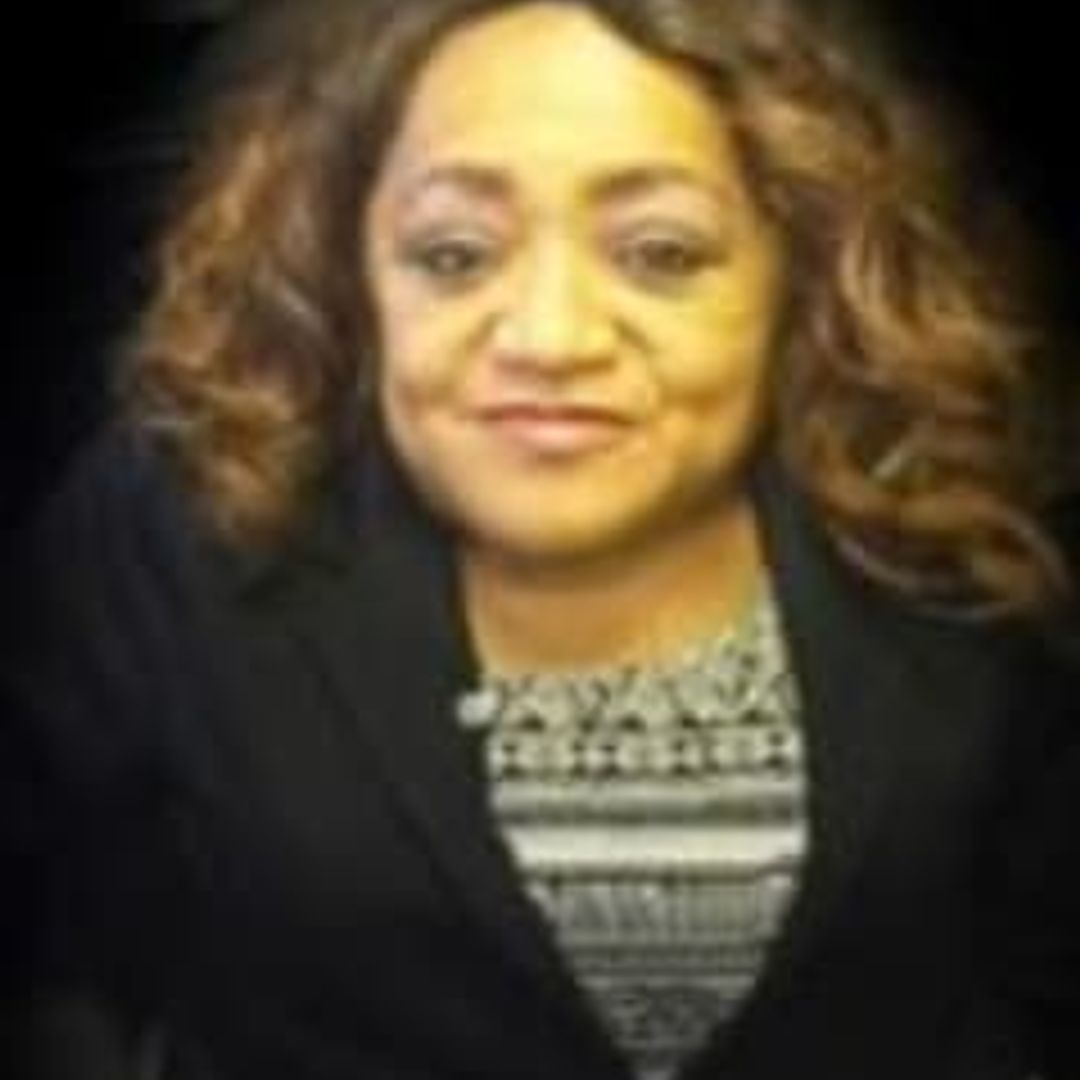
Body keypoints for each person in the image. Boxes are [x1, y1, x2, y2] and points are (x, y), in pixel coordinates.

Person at [2, 0, 1078, 1077]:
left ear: (801, 280)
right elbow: (55, 945)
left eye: (660, 253)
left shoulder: (959, 525)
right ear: (350, 278)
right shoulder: (175, 527)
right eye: (454, 255)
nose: (551, 339)